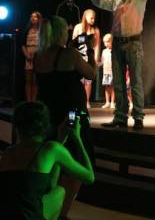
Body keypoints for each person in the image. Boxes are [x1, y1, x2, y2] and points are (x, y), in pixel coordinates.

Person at [0, 101, 94, 220]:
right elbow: (89, 177)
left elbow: (48, 186)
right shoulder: (51, 148)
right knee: (60, 191)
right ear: (46, 126)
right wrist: (77, 138)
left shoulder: (8, 152)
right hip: (22, 217)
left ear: (16, 127)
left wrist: (60, 141)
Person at [34, 16, 95, 219]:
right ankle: (63, 213)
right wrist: (90, 50)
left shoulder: (38, 55)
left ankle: (50, 209)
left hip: (48, 115)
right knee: (74, 162)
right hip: (71, 114)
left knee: (53, 162)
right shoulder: (70, 54)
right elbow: (91, 74)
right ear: (61, 32)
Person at [91, 0, 150, 130]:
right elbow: (95, 0)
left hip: (133, 43)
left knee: (135, 82)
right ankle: (120, 117)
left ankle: (138, 117)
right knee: (118, 83)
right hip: (117, 43)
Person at [72, 9, 100, 110]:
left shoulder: (95, 30)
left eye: (94, 18)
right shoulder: (78, 27)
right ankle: (79, 101)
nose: (93, 20)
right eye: (91, 18)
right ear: (86, 17)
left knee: (88, 81)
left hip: (89, 57)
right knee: (79, 81)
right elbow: (73, 41)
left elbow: (97, 45)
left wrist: (96, 58)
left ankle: (87, 101)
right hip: (79, 56)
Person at [22, 11, 42, 102]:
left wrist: (37, 55)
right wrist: (26, 55)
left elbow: (43, 44)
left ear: (39, 19)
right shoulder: (27, 30)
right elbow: (22, 44)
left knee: (35, 81)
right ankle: (28, 101)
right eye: (31, 16)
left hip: (38, 56)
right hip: (28, 55)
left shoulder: (41, 31)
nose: (33, 18)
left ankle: (33, 100)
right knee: (28, 80)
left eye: (35, 17)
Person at [98, 34, 115, 109]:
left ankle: (112, 102)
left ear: (112, 41)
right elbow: (102, 61)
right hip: (106, 72)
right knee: (107, 87)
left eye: (108, 42)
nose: (106, 44)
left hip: (112, 72)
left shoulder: (114, 51)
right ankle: (107, 102)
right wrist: (98, 64)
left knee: (113, 87)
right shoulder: (104, 51)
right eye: (105, 42)